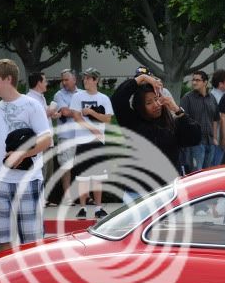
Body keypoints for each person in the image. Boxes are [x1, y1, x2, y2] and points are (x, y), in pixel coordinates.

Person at [0, 58, 52, 252]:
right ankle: (6, 280)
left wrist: (23, 154)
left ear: (8, 79)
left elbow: (46, 140)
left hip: (29, 180)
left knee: (32, 241)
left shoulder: (32, 105)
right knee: (2, 238)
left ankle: (30, 281)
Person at [111, 71, 202, 185]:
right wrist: (142, 78)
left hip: (168, 189)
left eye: (157, 99)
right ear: (140, 106)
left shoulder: (172, 123)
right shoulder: (133, 123)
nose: (156, 104)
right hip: (140, 190)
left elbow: (196, 137)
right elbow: (117, 99)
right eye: (149, 102)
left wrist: (177, 110)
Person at [70, 68, 114, 219]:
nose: (85, 81)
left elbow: (108, 119)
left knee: (97, 177)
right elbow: (76, 116)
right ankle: (82, 208)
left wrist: (92, 113)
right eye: (85, 78)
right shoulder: (77, 97)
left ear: (96, 80)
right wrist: (92, 129)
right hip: (82, 141)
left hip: (98, 142)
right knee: (83, 177)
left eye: (89, 78)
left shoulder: (104, 98)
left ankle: (98, 208)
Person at [178, 70, 219, 172]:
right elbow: (181, 119)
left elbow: (215, 118)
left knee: (208, 173)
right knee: (196, 174)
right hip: (195, 143)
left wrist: (214, 138)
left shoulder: (212, 98)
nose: (194, 82)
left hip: (210, 142)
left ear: (205, 82)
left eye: (197, 80)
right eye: (193, 80)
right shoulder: (187, 98)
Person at [25, 71, 56, 204]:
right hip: (39, 142)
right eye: (44, 81)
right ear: (38, 83)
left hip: (47, 140)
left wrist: (52, 113)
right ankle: (38, 198)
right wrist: (51, 110)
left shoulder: (40, 97)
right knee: (40, 171)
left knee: (48, 171)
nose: (46, 83)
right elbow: (39, 116)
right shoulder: (30, 98)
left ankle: (43, 197)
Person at [52, 68, 79, 205]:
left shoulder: (82, 93)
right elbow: (65, 112)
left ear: (74, 79)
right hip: (67, 135)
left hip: (82, 134)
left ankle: (85, 196)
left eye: (66, 79)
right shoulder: (59, 95)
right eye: (62, 80)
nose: (64, 82)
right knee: (66, 166)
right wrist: (82, 111)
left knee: (82, 165)